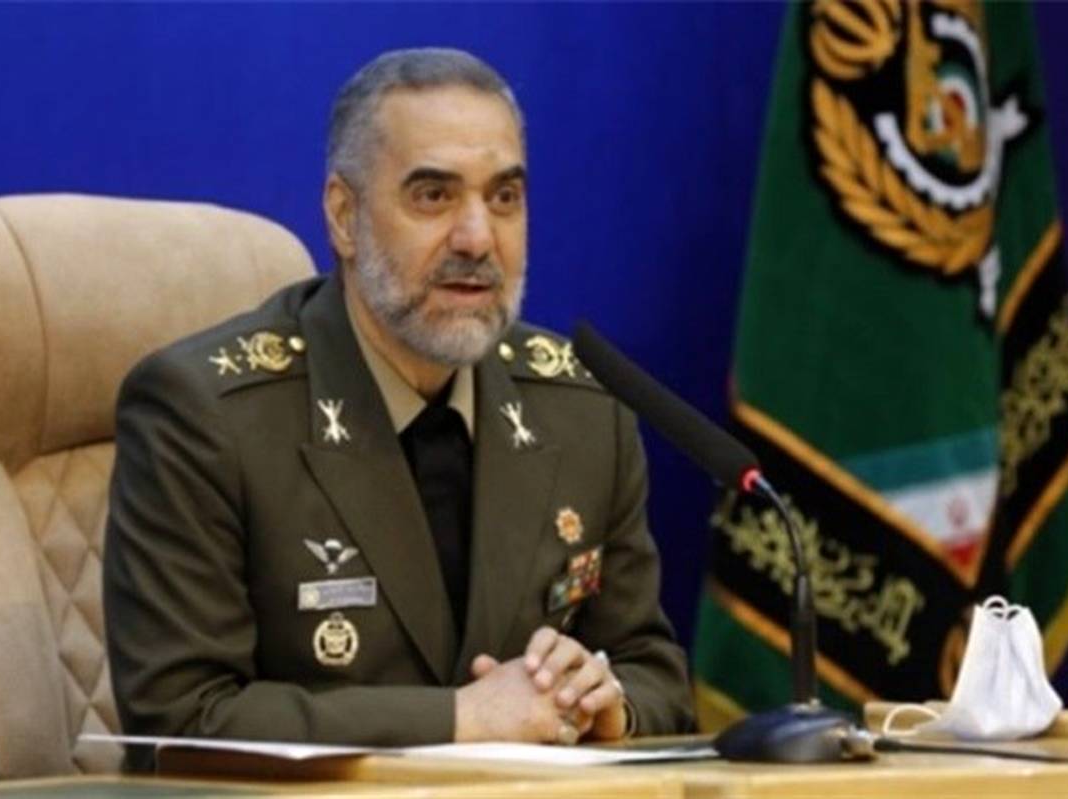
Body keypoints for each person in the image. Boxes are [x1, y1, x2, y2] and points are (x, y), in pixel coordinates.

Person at [103, 48, 693, 761]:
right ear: (344, 217)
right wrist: (461, 719)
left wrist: (605, 705)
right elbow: (179, 720)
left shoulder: (583, 406)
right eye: (433, 196)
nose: (478, 238)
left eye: (504, 197)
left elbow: (655, 673)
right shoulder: (205, 413)